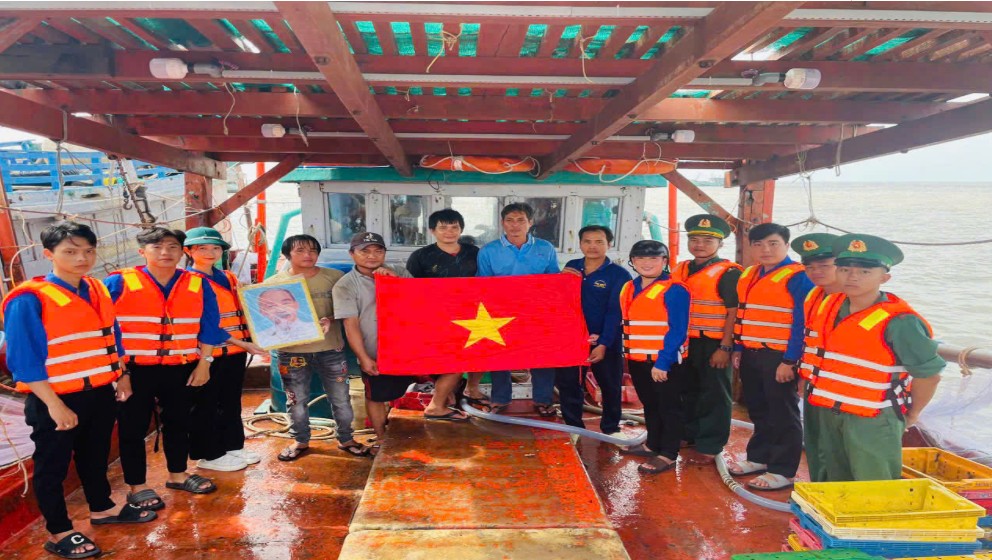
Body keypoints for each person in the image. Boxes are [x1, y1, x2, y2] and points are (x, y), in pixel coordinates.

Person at [3, 222, 156, 560]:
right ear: (49, 254)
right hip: (55, 398)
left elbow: (112, 336)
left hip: (100, 391)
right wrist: (54, 405)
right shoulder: (29, 299)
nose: (81, 258)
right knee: (52, 467)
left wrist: (122, 374)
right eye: (70, 252)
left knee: (94, 457)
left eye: (88, 251)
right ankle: (59, 531)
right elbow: (24, 360)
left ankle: (102, 509)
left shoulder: (97, 288)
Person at [803, 234, 944, 482]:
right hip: (827, 410)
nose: (852, 277)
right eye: (845, 269)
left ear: (884, 278)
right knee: (831, 480)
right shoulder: (831, 305)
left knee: (873, 483)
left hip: (872, 418)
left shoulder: (901, 321)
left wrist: (913, 414)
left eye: (865, 272)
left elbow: (929, 374)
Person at [105, 227, 229, 507]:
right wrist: (120, 373)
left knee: (179, 421)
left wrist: (204, 364)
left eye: (172, 247)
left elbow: (210, 326)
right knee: (132, 427)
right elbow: (106, 330)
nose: (165, 253)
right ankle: (137, 486)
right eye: (157, 247)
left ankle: (178, 474)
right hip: (134, 370)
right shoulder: (118, 282)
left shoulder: (198, 284)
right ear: (142, 251)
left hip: (180, 366)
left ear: (182, 251)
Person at [729, 223, 814, 491]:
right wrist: (738, 348)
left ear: (786, 245)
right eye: (758, 244)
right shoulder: (750, 274)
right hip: (751, 352)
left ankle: (783, 470)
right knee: (758, 408)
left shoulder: (798, 277)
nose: (765, 249)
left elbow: (801, 322)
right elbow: (744, 313)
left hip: (779, 355)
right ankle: (759, 457)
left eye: (773, 243)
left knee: (782, 412)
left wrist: (790, 360)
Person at [268, 234, 365, 461]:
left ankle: (346, 439)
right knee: (296, 400)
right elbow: (265, 320)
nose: (308, 255)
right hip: (291, 353)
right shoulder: (273, 284)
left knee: (341, 399)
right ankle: (300, 440)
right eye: (300, 250)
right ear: (287, 254)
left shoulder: (335, 278)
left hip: (331, 349)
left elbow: (350, 308)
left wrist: (330, 319)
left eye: (313, 250)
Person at [183, 227, 267, 473]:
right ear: (189, 251)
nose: (210, 252)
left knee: (230, 401)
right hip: (207, 354)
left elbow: (246, 307)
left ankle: (232, 445)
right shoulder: (188, 282)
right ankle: (208, 454)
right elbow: (205, 323)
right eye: (202, 248)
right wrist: (243, 343)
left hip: (235, 353)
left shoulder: (228, 277)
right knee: (205, 404)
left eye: (216, 248)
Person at [333, 232, 417, 455]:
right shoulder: (345, 285)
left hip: (408, 348)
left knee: (425, 384)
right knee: (376, 395)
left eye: (378, 250)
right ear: (352, 254)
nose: (372, 256)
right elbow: (350, 325)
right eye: (365, 251)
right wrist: (363, 357)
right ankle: (381, 437)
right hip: (376, 351)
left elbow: (419, 300)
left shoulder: (399, 271)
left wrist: (395, 282)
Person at [670, 215, 743, 464]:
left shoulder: (729, 273)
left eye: (707, 240)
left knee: (714, 394)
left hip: (713, 343)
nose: (699, 245)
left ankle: (711, 444)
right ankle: (689, 433)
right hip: (684, 342)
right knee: (687, 390)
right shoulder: (680, 268)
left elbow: (734, 312)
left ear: (720, 244)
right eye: (694, 239)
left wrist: (725, 347)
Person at [476, 203, 559, 415]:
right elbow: (482, 285)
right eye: (510, 221)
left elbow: (554, 281)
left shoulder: (545, 248)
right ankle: (500, 398)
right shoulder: (488, 251)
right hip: (500, 312)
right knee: (500, 355)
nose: (515, 225)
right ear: (502, 223)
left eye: (520, 220)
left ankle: (543, 399)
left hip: (536, 312)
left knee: (541, 355)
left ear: (530, 223)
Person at [617, 240, 690, 475]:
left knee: (669, 408)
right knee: (650, 404)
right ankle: (652, 444)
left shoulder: (675, 289)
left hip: (663, 362)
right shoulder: (629, 287)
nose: (646, 263)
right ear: (632, 261)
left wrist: (663, 362)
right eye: (640, 258)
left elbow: (678, 330)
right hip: (637, 360)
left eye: (653, 258)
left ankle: (668, 454)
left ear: (664, 261)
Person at [406, 208, 479, 421]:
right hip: (435, 319)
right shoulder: (420, 257)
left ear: (461, 229)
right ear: (432, 230)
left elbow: (488, 281)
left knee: (471, 357)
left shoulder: (474, 253)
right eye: (443, 227)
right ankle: (439, 402)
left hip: (471, 317)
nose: (449, 232)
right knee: (444, 361)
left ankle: (457, 395)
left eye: (454, 227)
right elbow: (408, 289)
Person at [557, 225, 631, 437]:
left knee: (610, 385)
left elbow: (615, 312)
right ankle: (573, 427)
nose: (592, 246)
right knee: (569, 384)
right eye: (587, 241)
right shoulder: (571, 267)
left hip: (606, 340)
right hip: (572, 339)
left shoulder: (619, 274)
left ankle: (611, 428)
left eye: (599, 242)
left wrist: (604, 343)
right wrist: (560, 279)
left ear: (609, 244)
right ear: (580, 244)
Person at [791, 232, 841, 386]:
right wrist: (805, 376)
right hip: (814, 378)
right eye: (809, 267)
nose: (816, 271)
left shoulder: (854, 301)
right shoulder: (813, 296)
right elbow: (811, 340)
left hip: (839, 383)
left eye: (824, 266)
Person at [256, 287, 321, 346]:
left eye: (286, 303)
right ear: (262, 312)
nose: (281, 309)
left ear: (296, 305)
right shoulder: (260, 338)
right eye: (271, 306)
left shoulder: (316, 329)